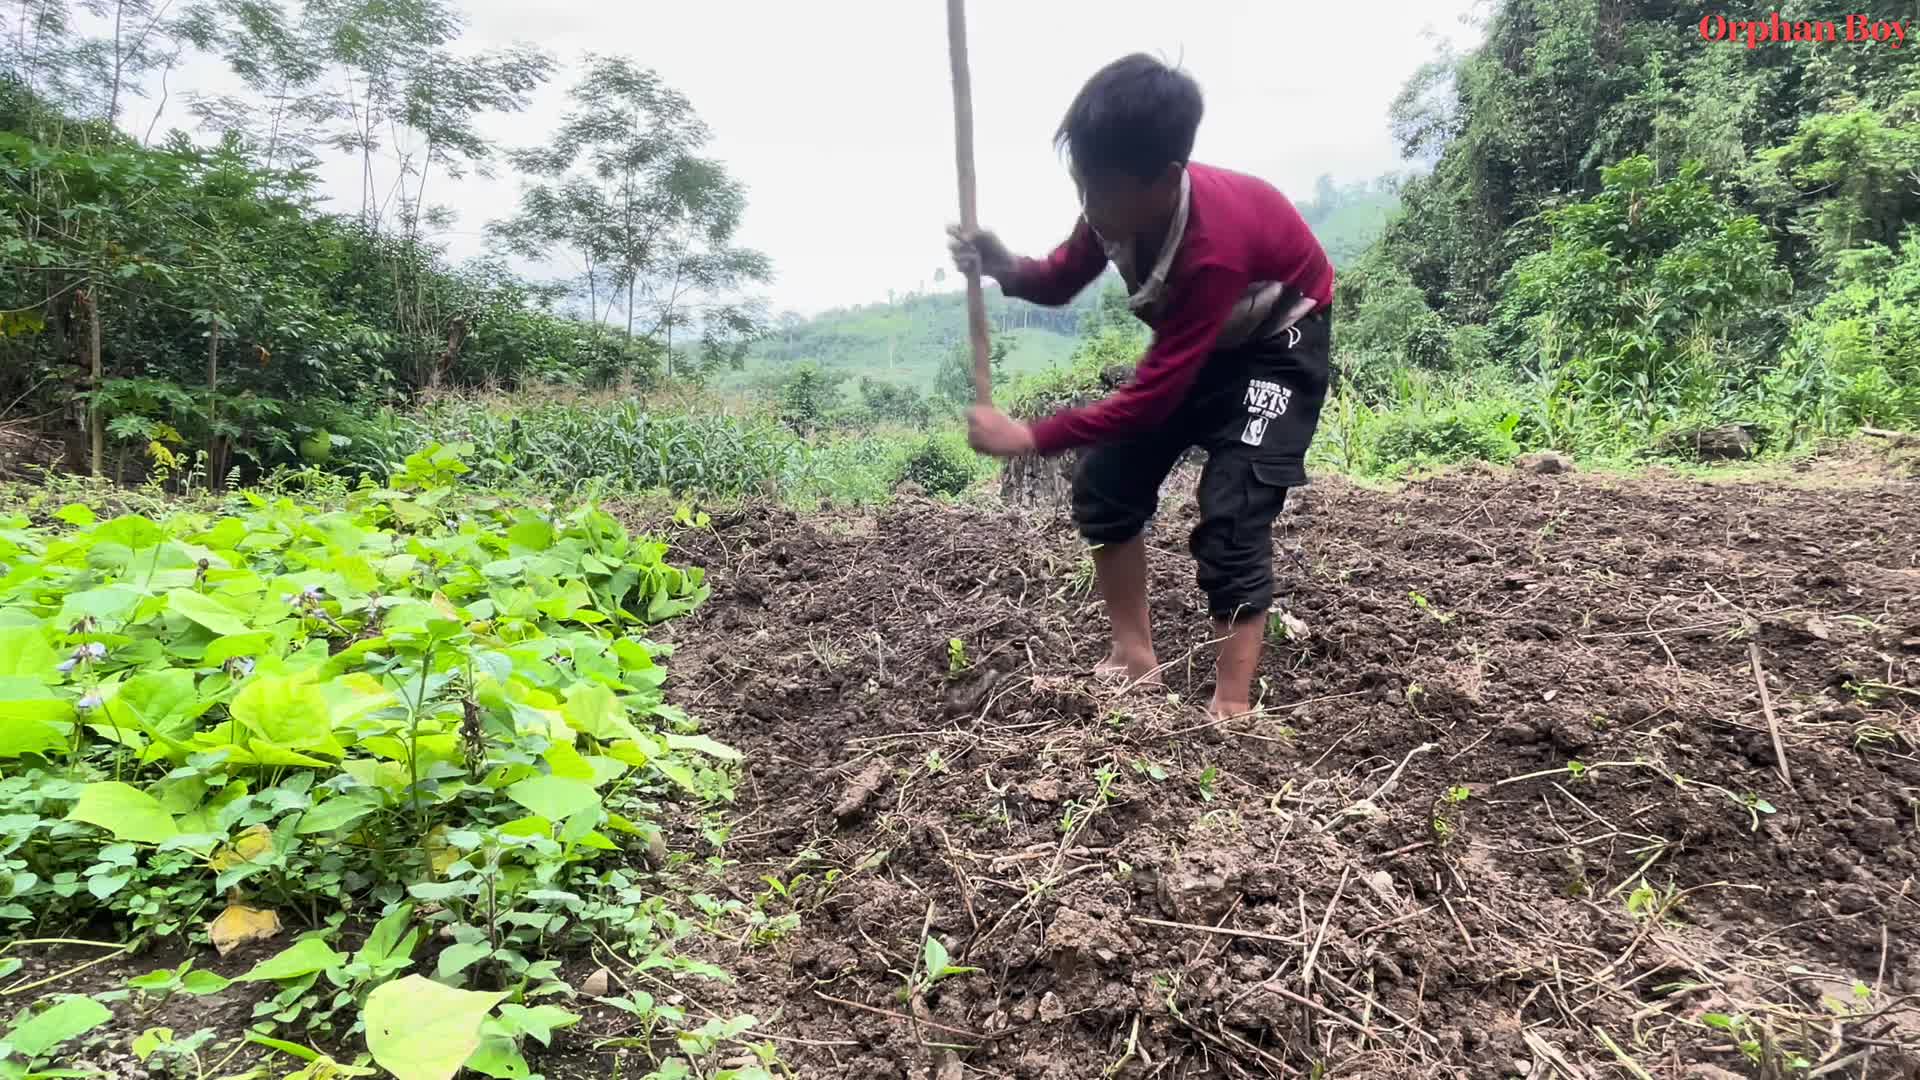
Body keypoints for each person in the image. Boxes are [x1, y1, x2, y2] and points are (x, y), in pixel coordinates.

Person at [947, 52, 1334, 722]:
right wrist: (1002, 263)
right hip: (1208, 341)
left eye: (1102, 191)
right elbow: (1063, 275)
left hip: (1278, 344)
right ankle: (1134, 657)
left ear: (1165, 180)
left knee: (1235, 506)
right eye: (1082, 186)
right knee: (1107, 485)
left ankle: (1232, 704)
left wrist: (1032, 436)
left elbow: (1153, 395)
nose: (1089, 207)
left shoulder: (1213, 249)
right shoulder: (1111, 207)